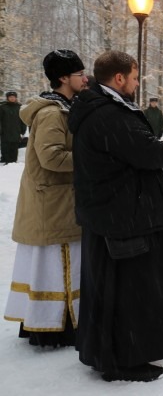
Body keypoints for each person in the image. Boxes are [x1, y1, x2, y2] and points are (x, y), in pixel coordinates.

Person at [69, 50, 163, 382]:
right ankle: (122, 358)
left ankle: (109, 351)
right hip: (124, 217)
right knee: (128, 290)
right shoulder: (108, 113)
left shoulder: (98, 108)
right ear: (119, 78)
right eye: (135, 78)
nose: (137, 84)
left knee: (113, 289)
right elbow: (148, 153)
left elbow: (132, 149)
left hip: (114, 214)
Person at [3, 50, 87, 348]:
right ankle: (53, 327)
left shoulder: (63, 108)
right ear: (64, 78)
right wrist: (90, 159)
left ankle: (51, 323)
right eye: (79, 74)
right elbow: (51, 157)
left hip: (57, 203)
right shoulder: (53, 112)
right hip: (52, 205)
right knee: (57, 267)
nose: (84, 78)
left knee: (57, 266)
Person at [0, 91, 26, 163]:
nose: (12, 98)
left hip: (16, 130)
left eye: (13, 97)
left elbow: (23, 119)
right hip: (5, 130)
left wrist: (23, 131)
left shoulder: (19, 107)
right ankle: (5, 159)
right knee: (5, 145)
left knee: (14, 145)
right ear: (7, 98)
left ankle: (13, 161)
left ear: (16, 98)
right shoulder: (2, 107)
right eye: (10, 97)